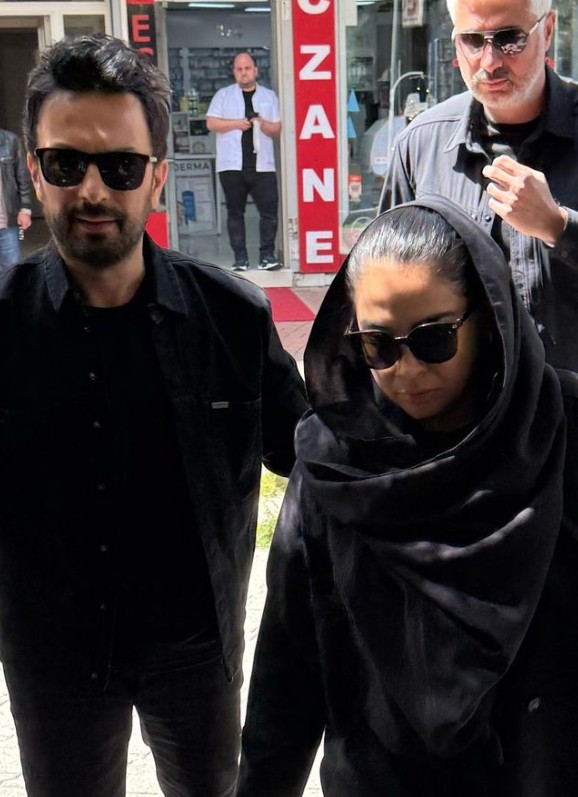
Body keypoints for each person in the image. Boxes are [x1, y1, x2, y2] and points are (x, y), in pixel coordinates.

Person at [0, 33, 307, 797]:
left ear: (158, 178)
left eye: (121, 167)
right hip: (54, 657)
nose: (92, 190)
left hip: (196, 650)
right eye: (66, 164)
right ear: (35, 172)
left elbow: (314, 455)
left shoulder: (231, 317)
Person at [237, 196, 578, 796]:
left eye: (433, 339)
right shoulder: (335, 459)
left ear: (487, 317)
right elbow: (289, 667)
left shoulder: (560, 431)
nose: (407, 370)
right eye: (379, 345)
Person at [379, 0, 578, 371]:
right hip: (464, 400)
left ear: (548, 30)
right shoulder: (422, 145)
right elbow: (385, 285)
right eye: (472, 40)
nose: (490, 61)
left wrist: (559, 226)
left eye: (510, 39)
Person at [206, 52, 283, 272]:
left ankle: (266, 256)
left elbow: (277, 129)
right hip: (232, 165)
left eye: (247, 68)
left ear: (255, 70)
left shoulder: (269, 96)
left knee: (269, 212)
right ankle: (240, 259)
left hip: (263, 166)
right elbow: (211, 123)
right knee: (235, 212)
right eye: (239, 69)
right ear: (234, 72)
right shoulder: (223, 95)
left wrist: (262, 123)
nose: (243, 73)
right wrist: (236, 124)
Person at [0, 126, 33, 267]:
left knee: (12, 270)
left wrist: (25, 210)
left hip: (6, 223)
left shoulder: (10, 141)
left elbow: (22, 177)